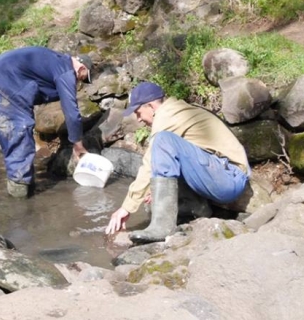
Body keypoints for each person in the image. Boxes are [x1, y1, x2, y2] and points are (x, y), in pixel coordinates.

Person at [105, 82, 250, 243]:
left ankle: (162, 228)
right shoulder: (176, 110)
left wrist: (126, 207)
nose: (138, 119)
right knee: (153, 196)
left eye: (138, 112)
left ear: (151, 106)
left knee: (163, 140)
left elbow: (149, 162)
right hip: (220, 174)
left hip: (229, 178)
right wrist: (153, 189)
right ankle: (198, 209)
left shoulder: (168, 115)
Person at [0, 47, 94, 198]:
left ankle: (24, 188)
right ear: (81, 67)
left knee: (13, 137)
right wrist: (78, 145)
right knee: (19, 135)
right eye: (83, 77)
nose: (80, 82)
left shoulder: (57, 61)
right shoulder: (66, 71)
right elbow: (72, 112)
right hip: (5, 82)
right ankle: (20, 202)